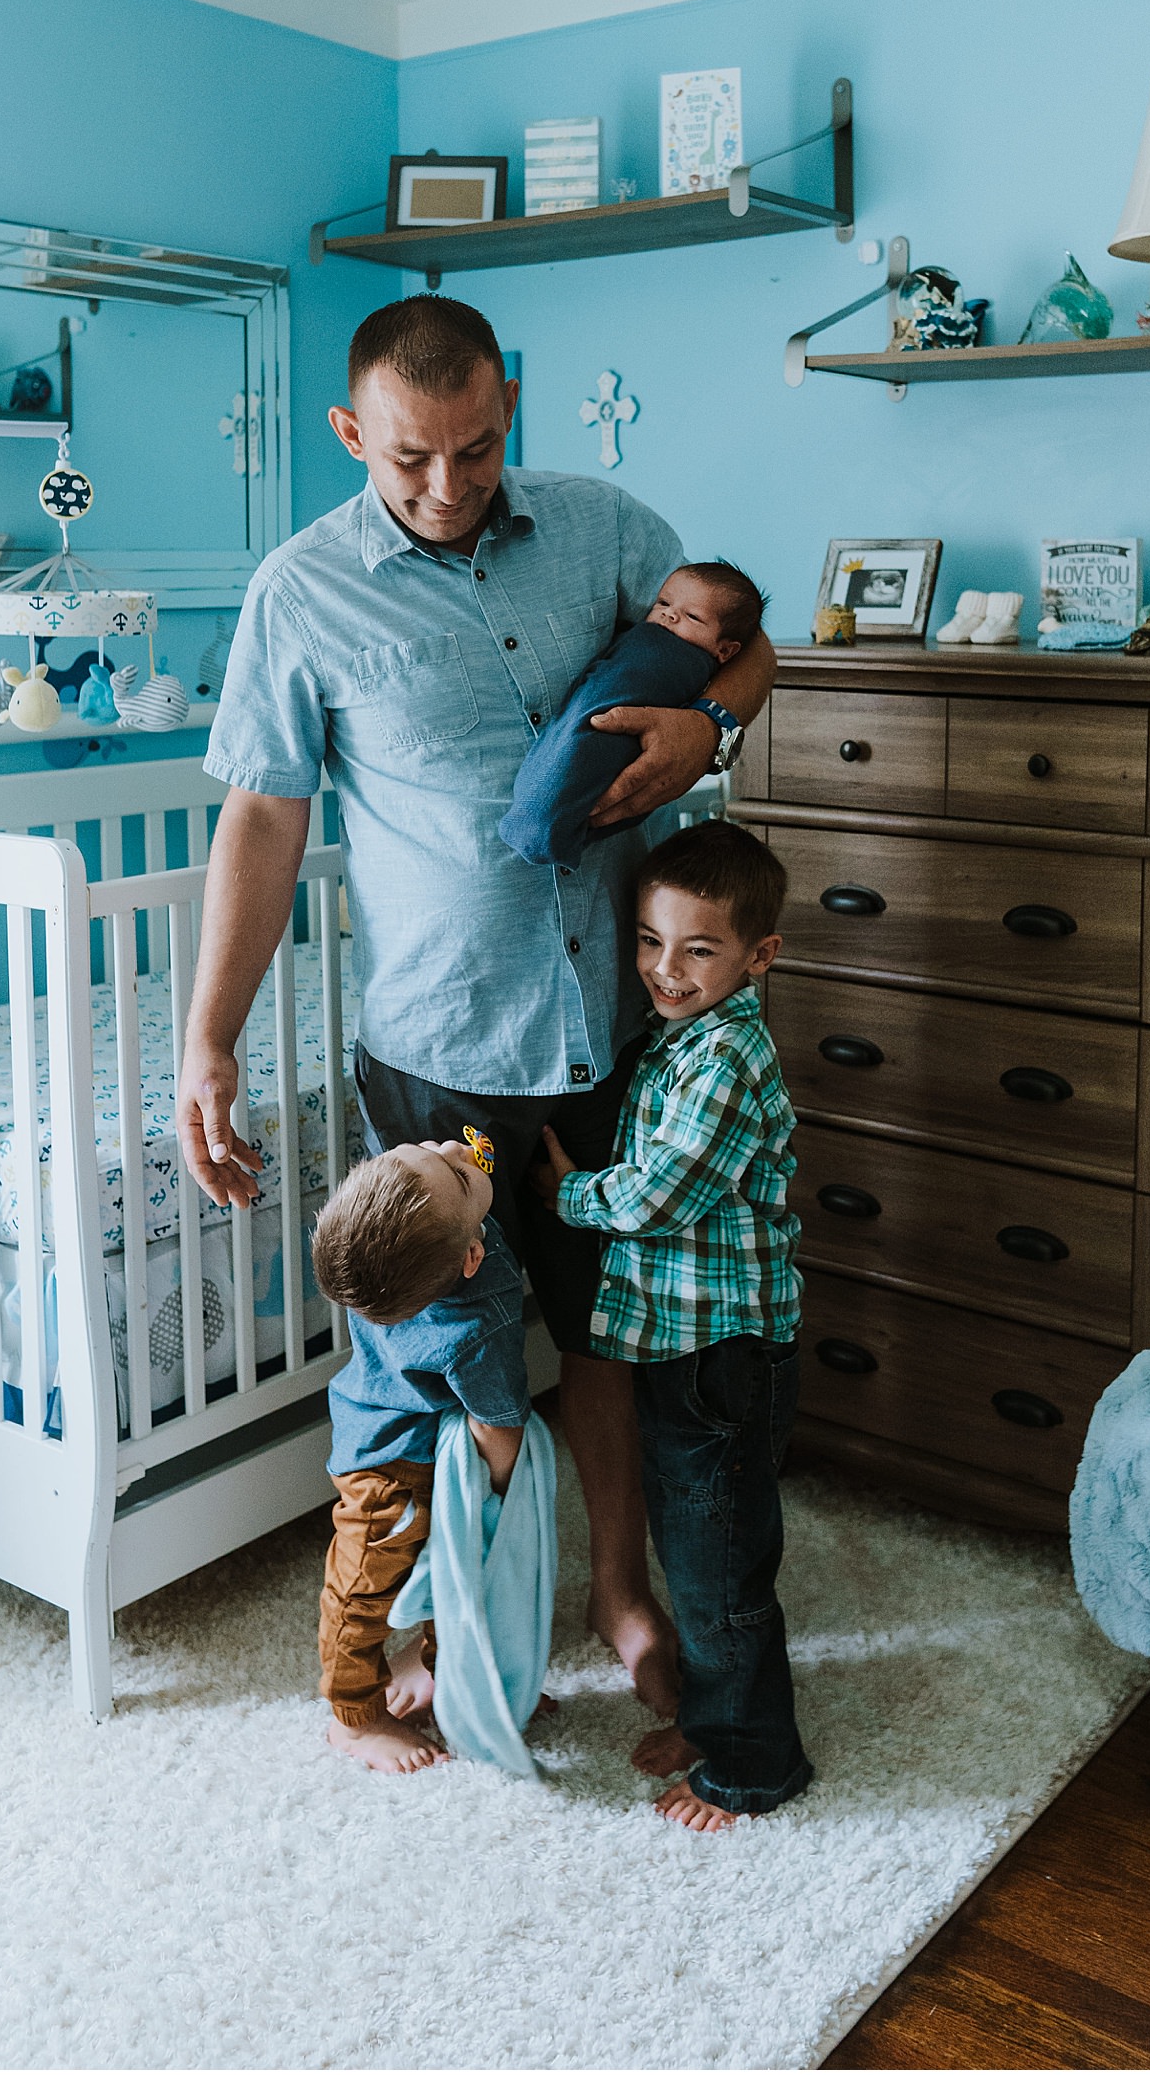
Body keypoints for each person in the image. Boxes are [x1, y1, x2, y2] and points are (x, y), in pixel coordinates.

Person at [176, 293, 776, 1714]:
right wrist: (208, 1041)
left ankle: (621, 1589)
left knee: (612, 1335)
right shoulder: (301, 590)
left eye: (478, 447)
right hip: (441, 1057)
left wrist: (715, 721)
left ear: (511, 401)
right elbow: (263, 820)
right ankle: (456, 1610)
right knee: (457, 1355)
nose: (448, 486)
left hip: (620, 1029)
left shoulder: (609, 527)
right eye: (408, 459)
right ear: (350, 432)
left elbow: (747, 645)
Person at [533, 820, 813, 1832]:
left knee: (720, 1574)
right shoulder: (675, 1037)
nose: (665, 969)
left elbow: (661, 1190)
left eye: (697, 949)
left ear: (756, 957)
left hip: (723, 1356)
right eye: (650, 943)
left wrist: (570, 1197)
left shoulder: (727, 1058)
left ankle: (752, 1765)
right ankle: (710, 1714)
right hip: (679, 1347)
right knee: (698, 1552)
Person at [310, 1134, 532, 1773]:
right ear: (471, 1257)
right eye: (457, 1176)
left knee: (454, 1576)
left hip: (425, 1441)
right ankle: (354, 1718)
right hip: (389, 1467)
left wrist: (456, 1180)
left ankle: (455, 1683)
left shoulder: (380, 1264)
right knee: (360, 1591)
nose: (453, 1148)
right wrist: (500, 1493)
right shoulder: (477, 1320)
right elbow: (498, 1421)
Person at [498, 560, 767, 870]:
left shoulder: (682, 657)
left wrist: (706, 726)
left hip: (627, 873)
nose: (670, 614)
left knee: (590, 758)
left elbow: (759, 652)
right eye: (663, 603)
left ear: (725, 651)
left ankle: (544, 823)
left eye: (692, 616)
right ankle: (545, 820)